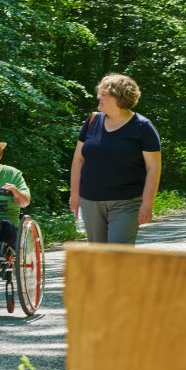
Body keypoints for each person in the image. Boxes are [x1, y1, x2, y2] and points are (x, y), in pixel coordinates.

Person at [68, 73, 162, 244]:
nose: (98, 96)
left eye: (103, 93)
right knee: (99, 257)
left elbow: (153, 168)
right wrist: (75, 195)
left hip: (126, 203)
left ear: (118, 98)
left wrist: (147, 204)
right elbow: (78, 160)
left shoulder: (143, 127)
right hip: (91, 201)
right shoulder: (92, 121)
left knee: (118, 256)